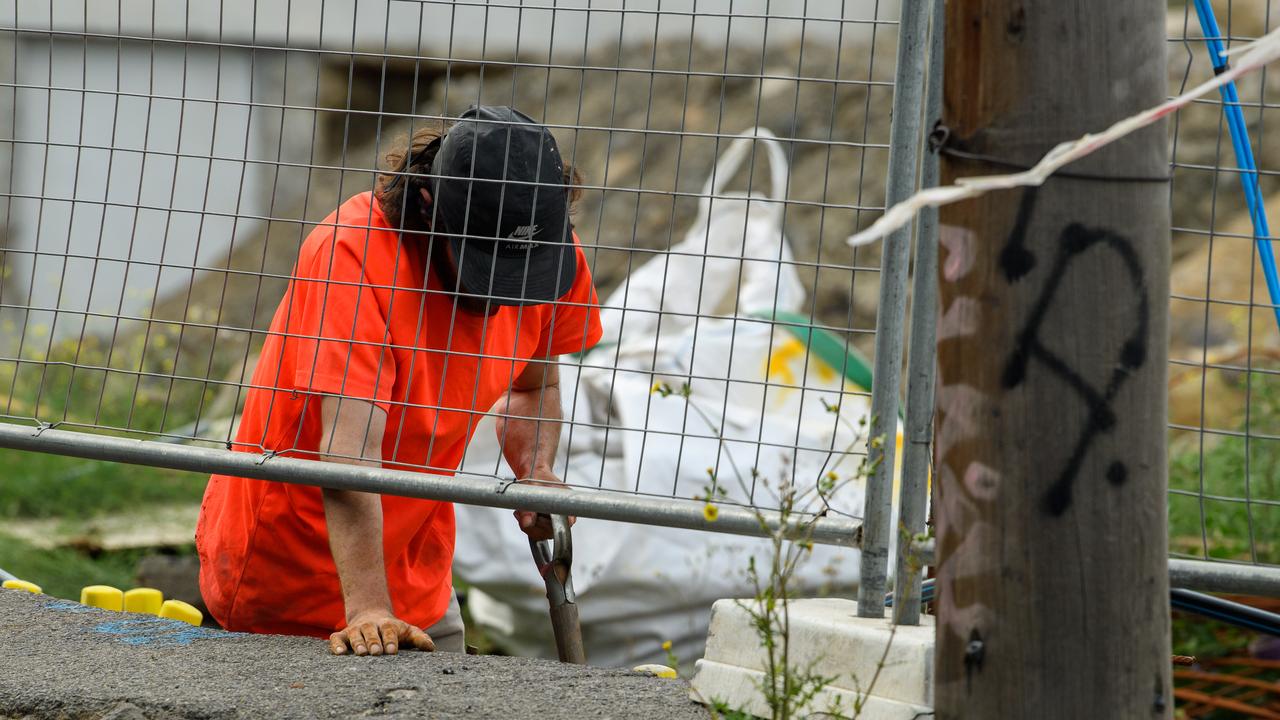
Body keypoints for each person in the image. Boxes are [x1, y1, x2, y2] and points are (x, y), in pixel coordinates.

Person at [195, 106, 602, 656]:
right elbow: (349, 455)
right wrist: (367, 610)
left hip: (415, 564)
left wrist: (536, 469)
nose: (502, 293)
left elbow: (534, 385)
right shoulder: (355, 250)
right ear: (429, 206)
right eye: (485, 264)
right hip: (293, 564)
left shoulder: (547, 255)